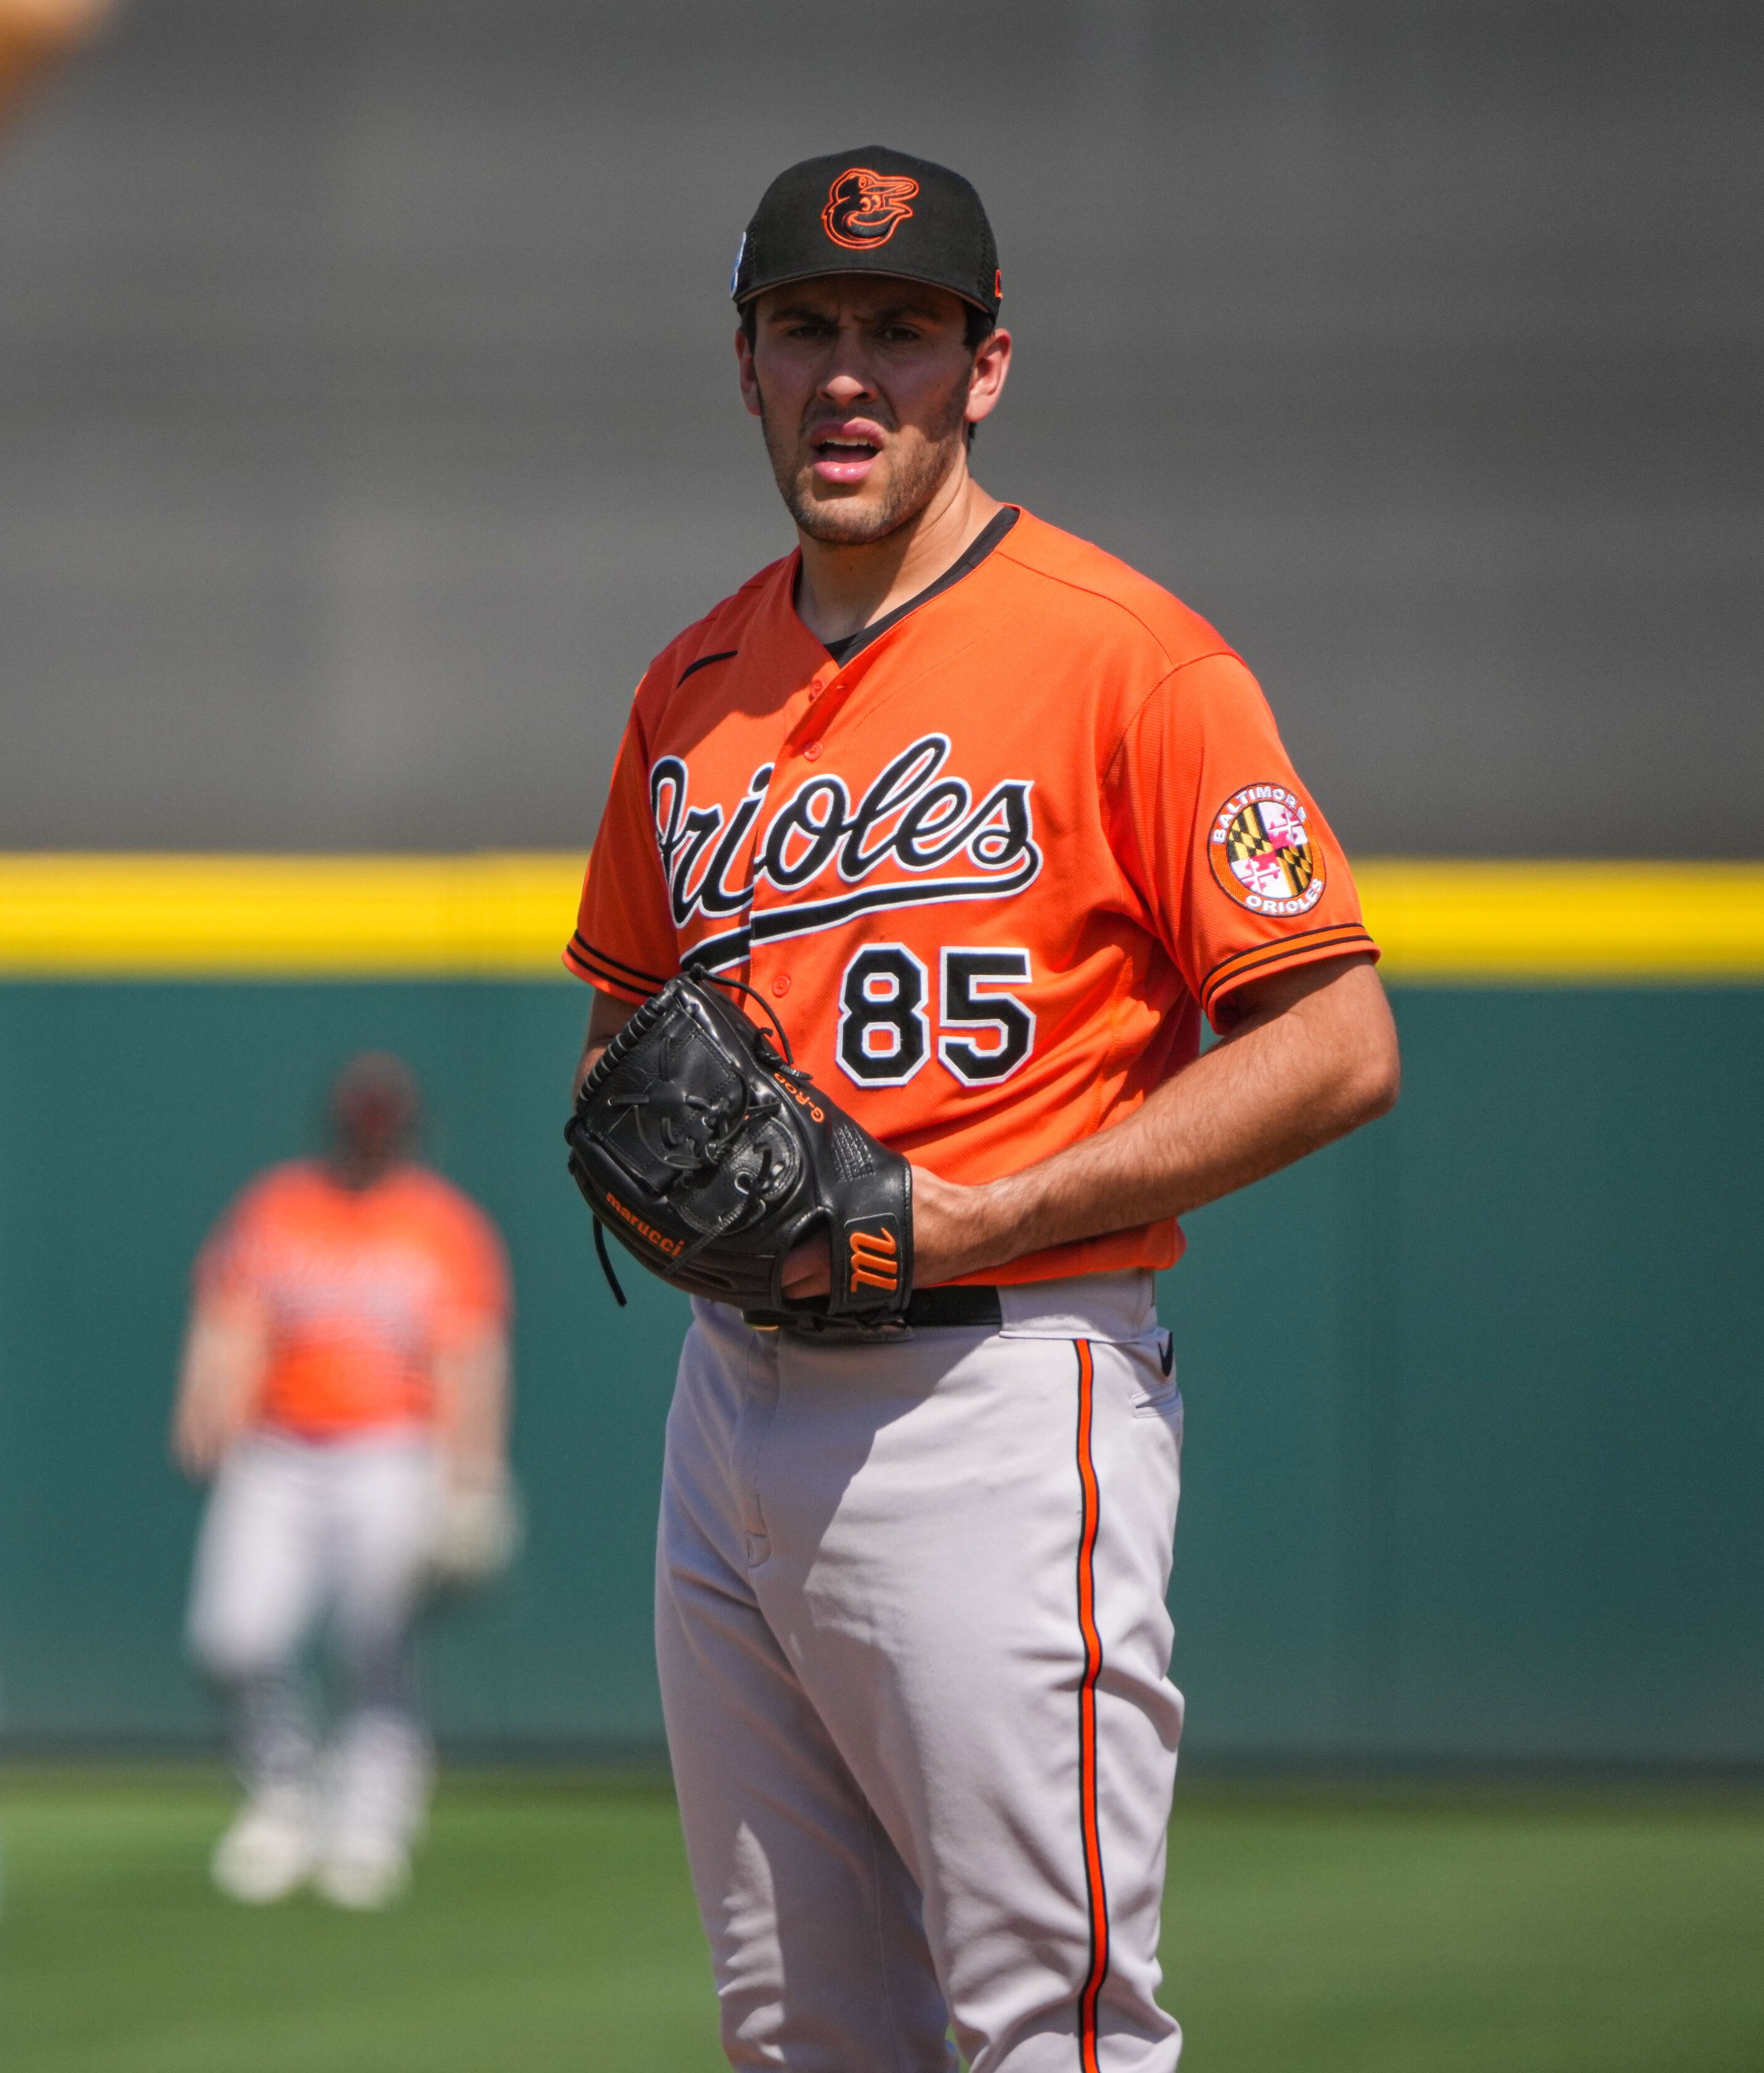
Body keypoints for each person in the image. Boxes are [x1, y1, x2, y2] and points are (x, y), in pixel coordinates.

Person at [563, 149, 1399, 2070]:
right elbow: (613, 1033)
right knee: (799, 2034)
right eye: (807, 329)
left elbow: (1338, 1041)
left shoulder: (1134, 656)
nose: (849, 374)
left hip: (1003, 1397)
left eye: (902, 331)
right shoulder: (688, 685)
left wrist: (978, 1212)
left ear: (985, 367)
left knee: (1053, 2033)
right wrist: (660, 1153)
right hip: (731, 1397)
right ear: (748, 366)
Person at [168, 1052, 514, 1911]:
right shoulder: (281, 1205)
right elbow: (230, 1311)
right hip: (278, 1448)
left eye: (384, 1117)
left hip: (393, 1451)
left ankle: (371, 1817)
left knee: (376, 1640)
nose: (372, 1131)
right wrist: (204, 1399)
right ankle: (281, 1797)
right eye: (362, 1115)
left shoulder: (443, 1224)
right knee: (233, 1635)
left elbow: (470, 1353)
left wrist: (473, 1475)